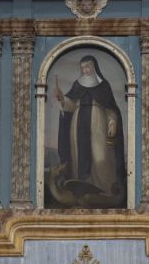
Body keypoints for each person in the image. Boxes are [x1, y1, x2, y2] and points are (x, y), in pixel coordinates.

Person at [49, 54, 126, 208]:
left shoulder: (103, 86)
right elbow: (70, 105)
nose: (86, 70)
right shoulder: (78, 84)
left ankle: (105, 190)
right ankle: (81, 190)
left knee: (100, 155)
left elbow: (110, 108)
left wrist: (112, 123)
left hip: (98, 123)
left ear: (94, 67)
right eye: (83, 67)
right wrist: (62, 99)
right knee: (78, 154)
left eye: (88, 67)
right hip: (78, 124)